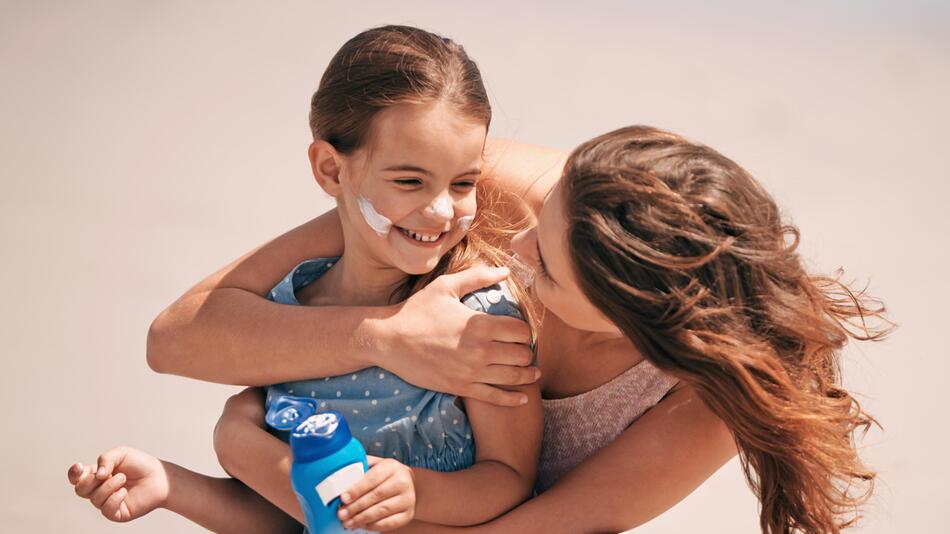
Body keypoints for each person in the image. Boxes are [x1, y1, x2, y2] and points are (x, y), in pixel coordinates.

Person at [149, 125, 890, 533]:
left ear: (632, 326)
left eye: (546, 269)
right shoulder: (512, 192)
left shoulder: (705, 403)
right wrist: (379, 334)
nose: (513, 247)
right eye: (544, 217)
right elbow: (177, 339)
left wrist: (244, 451)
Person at [67, 25, 544, 532]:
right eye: (410, 181)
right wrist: (174, 487)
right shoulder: (284, 317)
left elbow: (510, 477)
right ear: (331, 171)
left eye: (464, 182)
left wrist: (421, 492)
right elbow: (299, 518)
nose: (442, 209)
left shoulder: (481, 315)